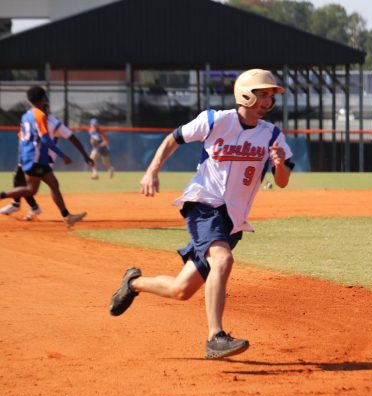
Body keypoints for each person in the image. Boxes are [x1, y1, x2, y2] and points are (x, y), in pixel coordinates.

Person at [109, 69, 294, 360]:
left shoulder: (271, 135)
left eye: (271, 97)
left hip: (232, 220)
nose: (268, 101)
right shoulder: (215, 120)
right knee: (223, 259)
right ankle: (215, 337)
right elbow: (174, 138)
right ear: (245, 94)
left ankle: (133, 283)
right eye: (263, 94)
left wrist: (279, 163)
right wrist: (152, 170)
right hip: (203, 204)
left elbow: (281, 181)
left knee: (182, 290)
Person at [0, 86, 91, 227]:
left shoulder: (26, 115)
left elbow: (23, 138)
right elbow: (45, 139)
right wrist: (62, 155)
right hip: (36, 157)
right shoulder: (41, 115)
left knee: (54, 184)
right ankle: (2, 196)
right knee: (31, 189)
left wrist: (22, 160)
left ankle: (67, 216)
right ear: (43, 99)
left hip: (34, 156)